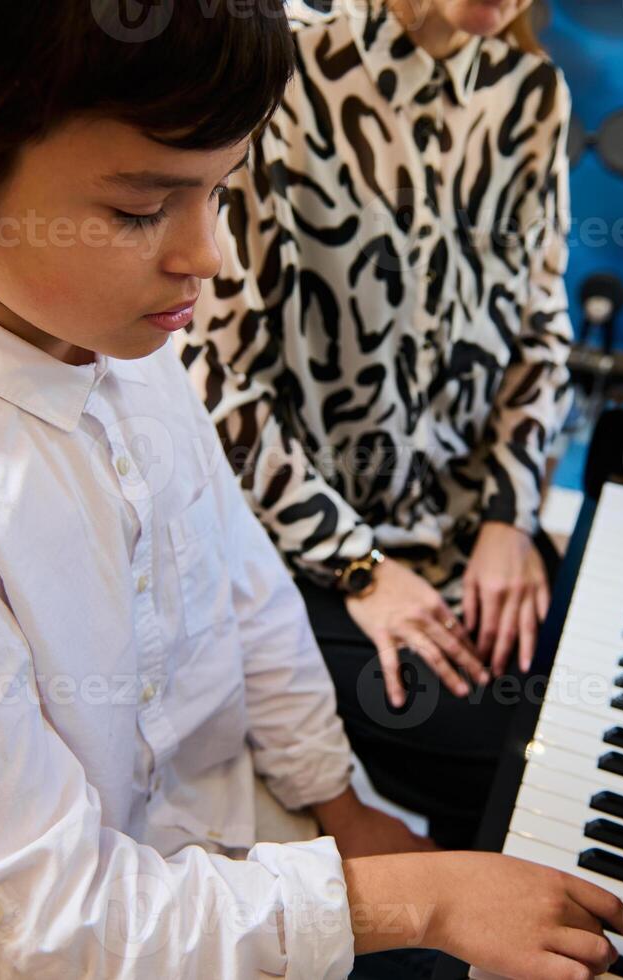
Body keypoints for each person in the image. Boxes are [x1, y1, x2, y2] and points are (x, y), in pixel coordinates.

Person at [0, 2, 623, 978]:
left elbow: (247, 586)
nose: (208, 258)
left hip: (188, 850)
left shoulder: (122, 338)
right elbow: (47, 920)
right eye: (142, 208)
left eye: (219, 192)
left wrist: (340, 803)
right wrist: (415, 900)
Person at [177, 0, 575, 847]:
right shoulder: (274, 66)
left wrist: (512, 516)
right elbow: (215, 380)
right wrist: (358, 566)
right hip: (315, 543)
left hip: (475, 518)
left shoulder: (534, 92)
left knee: (583, 689)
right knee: (509, 748)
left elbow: (544, 327)